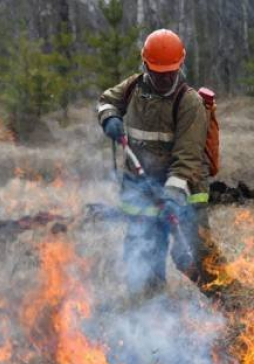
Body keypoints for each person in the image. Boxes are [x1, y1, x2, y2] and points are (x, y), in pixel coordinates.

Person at [97, 28, 221, 299]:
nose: (165, 79)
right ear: (145, 66)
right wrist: (110, 118)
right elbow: (107, 100)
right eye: (158, 73)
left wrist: (173, 195)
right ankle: (149, 310)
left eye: (170, 73)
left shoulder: (190, 103)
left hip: (185, 188)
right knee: (143, 249)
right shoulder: (133, 87)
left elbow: (187, 157)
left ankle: (231, 304)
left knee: (197, 251)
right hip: (141, 188)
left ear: (180, 66)